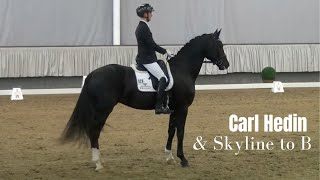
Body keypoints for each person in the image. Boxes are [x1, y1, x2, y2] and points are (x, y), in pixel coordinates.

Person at [135, 3, 174, 114]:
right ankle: (158, 106)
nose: (152, 14)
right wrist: (165, 51)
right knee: (163, 78)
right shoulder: (143, 28)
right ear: (145, 14)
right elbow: (152, 45)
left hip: (147, 57)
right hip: (147, 59)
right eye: (150, 13)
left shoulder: (143, 26)